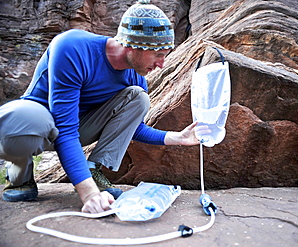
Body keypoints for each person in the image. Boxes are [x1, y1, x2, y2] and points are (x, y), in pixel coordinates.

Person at [0, 0, 201, 213]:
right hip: (38, 124)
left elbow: (132, 127)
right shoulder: (74, 47)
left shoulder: (136, 77)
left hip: (78, 126)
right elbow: (64, 128)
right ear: (134, 44)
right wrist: (89, 194)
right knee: (31, 118)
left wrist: (177, 138)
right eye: (158, 54)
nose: (161, 64)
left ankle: (93, 169)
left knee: (138, 98)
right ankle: (20, 175)